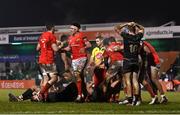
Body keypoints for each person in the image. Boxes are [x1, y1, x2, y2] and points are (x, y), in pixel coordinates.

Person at [114, 22, 144, 106]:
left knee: (127, 81)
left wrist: (126, 24)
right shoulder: (138, 36)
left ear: (128, 29)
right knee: (135, 80)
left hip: (127, 60)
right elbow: (143, 29)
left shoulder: (126, 36)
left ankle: (130, 99)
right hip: (135, 60)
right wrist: (136, 24)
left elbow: (116, 28)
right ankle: (136, 100)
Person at [63, 23, 91, 102]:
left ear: (77, 29)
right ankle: (84, 95)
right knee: (77, 77)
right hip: (74, 59)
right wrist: (60, 49)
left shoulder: (82, 35)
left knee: (77, 74)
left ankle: (79, 95)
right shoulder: (70, 38)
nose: (71, 30)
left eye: (73, 28)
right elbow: (69, 48)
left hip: (81, 58)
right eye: (70, 28)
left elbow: (89, 45)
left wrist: (84, 48)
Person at [36, 23, 61, 102]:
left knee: (46, 79)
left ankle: (45, 98)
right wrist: (61, 46)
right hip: (48, 60)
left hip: (41, 60)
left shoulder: (42, 36)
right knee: (54, 78)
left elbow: (37, 48)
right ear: (53, 28)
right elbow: (55, 49)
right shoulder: (52, 36)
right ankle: (41, 93)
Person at [142, 40, 168, 104]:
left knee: (154, 79)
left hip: (153, 63)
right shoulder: (147, 45)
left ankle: (163, 96)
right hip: (154, 62)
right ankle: (157, 97)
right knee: (152, 80)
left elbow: (148, 52)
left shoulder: (145, 45)